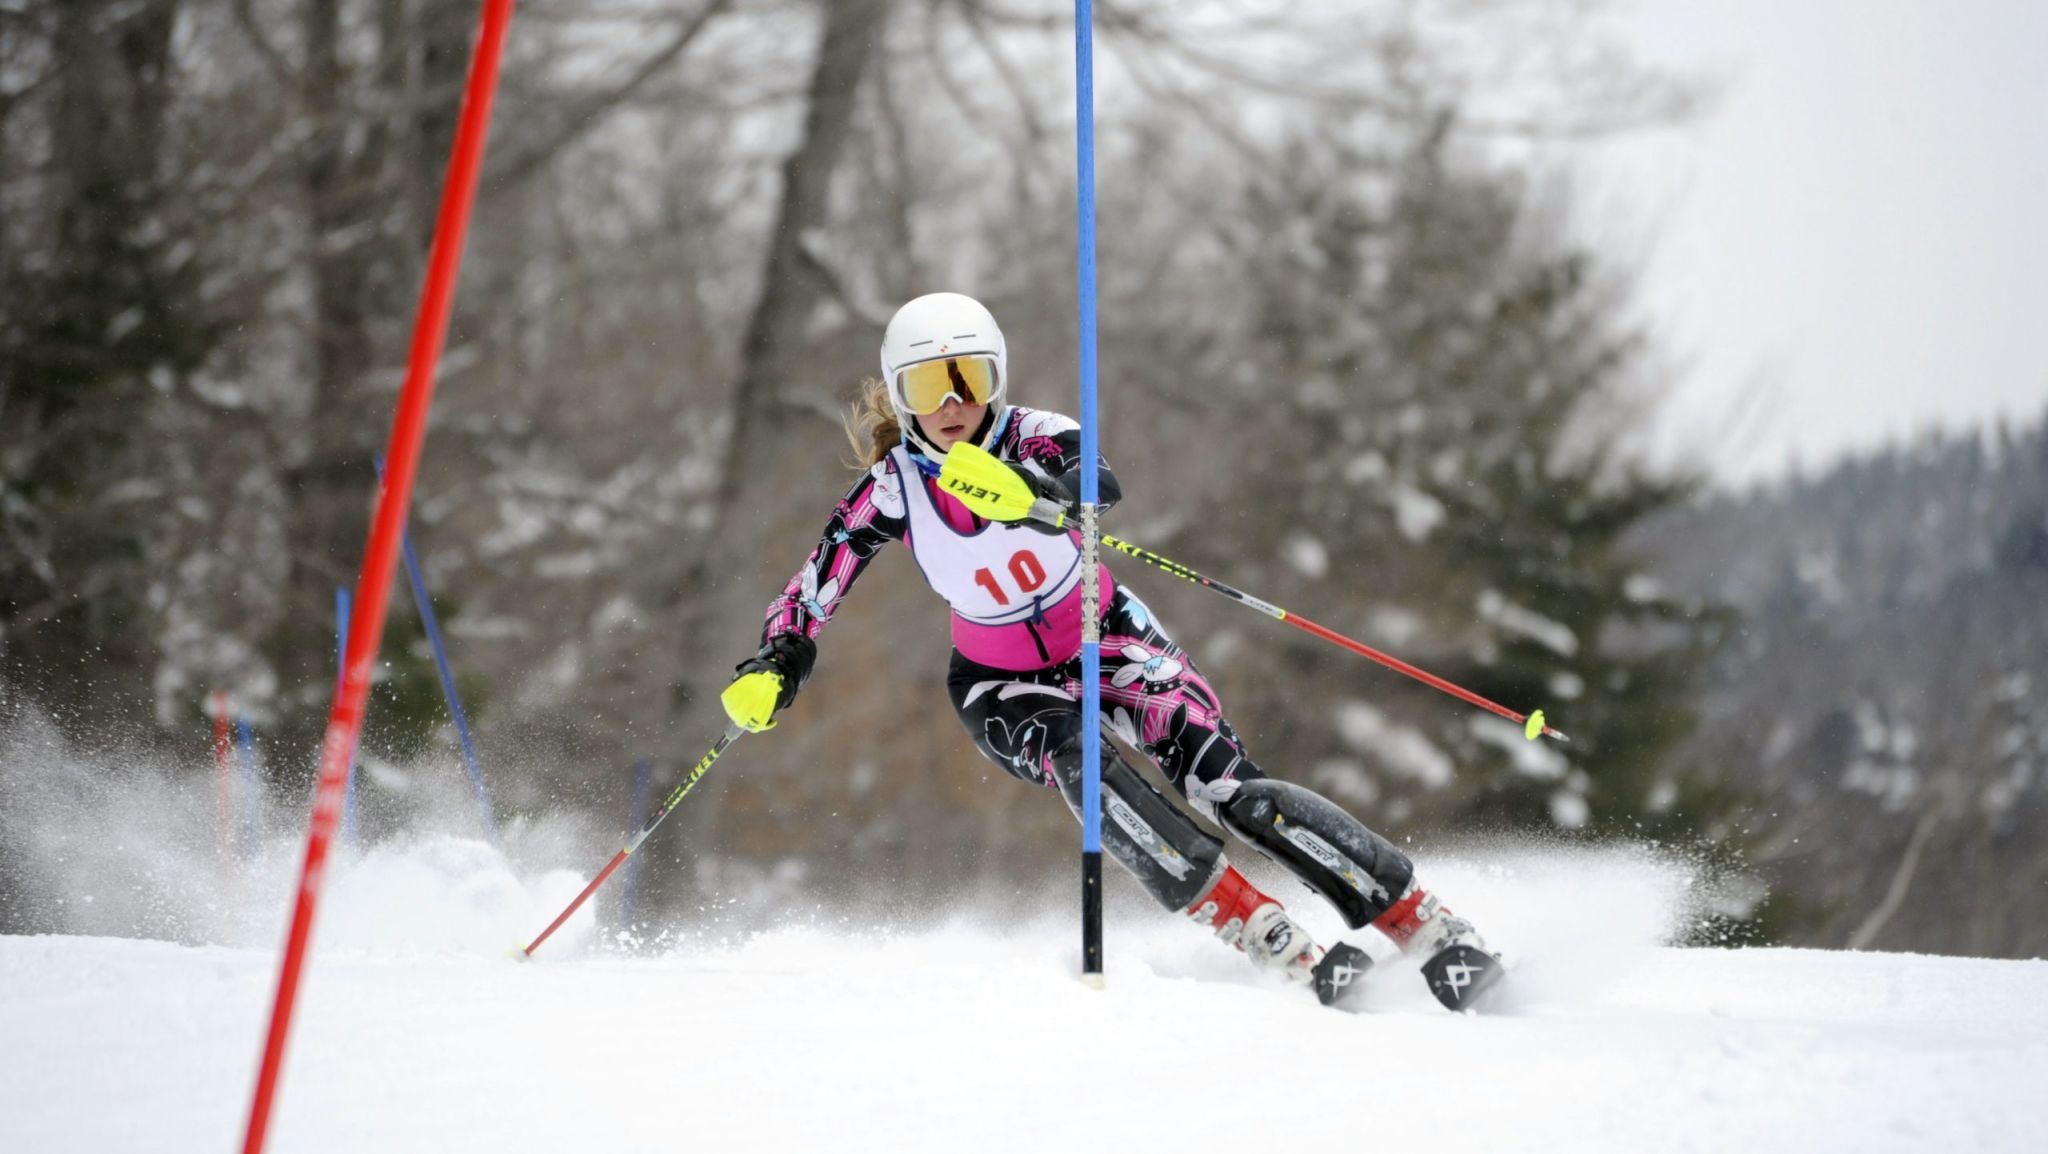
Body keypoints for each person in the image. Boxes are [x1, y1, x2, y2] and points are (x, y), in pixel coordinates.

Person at [719, 292, 1500, 1011]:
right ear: (900, 396)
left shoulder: (1035, 432)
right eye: (929, 386)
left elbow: (1095, 477)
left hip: (1107, 635)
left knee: (1229, 789)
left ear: (996, 380)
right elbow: (815, 585)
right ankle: (1260, 929)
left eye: (970, 378)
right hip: (1000, 681)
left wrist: (1041, 492)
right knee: (1083, 762)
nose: (953, 403)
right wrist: (778, 658)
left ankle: (1423, 922)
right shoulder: (893, 488)